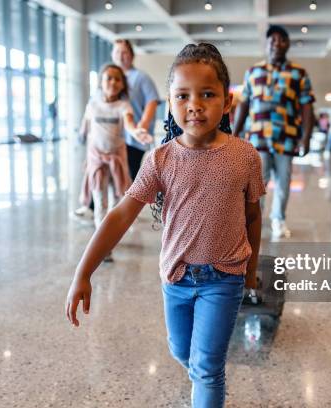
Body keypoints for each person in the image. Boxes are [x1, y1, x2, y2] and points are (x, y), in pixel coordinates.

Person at [65, 43, 265, 408]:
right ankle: (202, 381)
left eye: (208, 94)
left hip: (224, 277)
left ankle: (206, 388)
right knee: (181, 352)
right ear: (170, 102)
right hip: (175, 278)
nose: (195, 104)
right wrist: (84, 271)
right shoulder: (161, 159)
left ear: (228, 101)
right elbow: (120, 214)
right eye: (183, 95)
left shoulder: (244, 156)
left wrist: (251, 271)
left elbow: (253, 215)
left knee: (207, 368)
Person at [233, 25, 315, 239]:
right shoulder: (253, 72)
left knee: (283, 183)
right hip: (258, 138)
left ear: (287, 44)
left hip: (286, 139)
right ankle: (254, 221)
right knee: (257, 184)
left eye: (281, 40)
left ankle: (278, 219)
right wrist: (235, 133)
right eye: (273, 40)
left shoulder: (298, 73)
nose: (277, 43)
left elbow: (307, 107)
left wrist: (306, 137)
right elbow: (243, 103)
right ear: (267, 44)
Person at [75, 64, 152, 232]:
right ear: (101, 82)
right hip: (96, 160)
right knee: (99, 198)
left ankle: (108, 236)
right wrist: (80, 135)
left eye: (118, 79)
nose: (113, 82)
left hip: (116, 159)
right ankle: (101, 239)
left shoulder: (123, 106)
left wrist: (137, 132)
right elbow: (85, 125)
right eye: (109, 78)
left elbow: (130, 124)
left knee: (115, 201)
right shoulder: (93, 105)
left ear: (123, 84)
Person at [111, 39, 160, 180]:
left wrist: (142, 125)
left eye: (124, 52)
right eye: (117, 52)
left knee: (130, 176)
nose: (120, 56)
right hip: (113, 136)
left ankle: (129, 201)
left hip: (133, 138)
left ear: (132, 55)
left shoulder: (141, 77)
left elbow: (152, 101)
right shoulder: (110, 78)